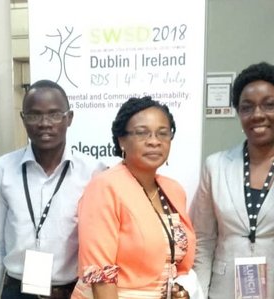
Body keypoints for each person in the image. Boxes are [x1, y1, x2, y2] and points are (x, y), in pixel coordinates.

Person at [189, 62, 274, 298]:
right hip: (223, 290)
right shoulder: (215, 166)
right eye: (247, 107)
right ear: (238, 112)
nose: (258, 115)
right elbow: (204, 240)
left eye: (269, 105)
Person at [0, 79, 106, 299]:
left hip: (71, 292)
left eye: (55, 114)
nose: (44, 123)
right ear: (23, 119)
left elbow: (102, 245)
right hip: (17, 292)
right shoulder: (3, 169)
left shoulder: (93, 173)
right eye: (34, 115)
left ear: (69, 118)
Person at [72, 96, 196, 299]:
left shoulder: (173, 190)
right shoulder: (104, 187)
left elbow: (175, 262)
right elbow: (100, 275)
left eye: (163, 134)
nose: (154, 141)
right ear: (122, 140)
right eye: (142, 133)